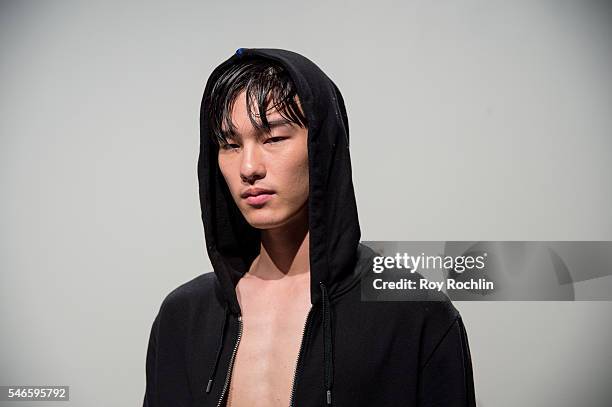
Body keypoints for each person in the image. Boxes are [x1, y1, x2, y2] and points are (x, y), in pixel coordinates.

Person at [143, 47, 476, 407]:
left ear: (321, 144)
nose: (249, 167)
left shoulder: (415, 314)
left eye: (273, 138)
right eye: (230, 144)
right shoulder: (182, 316)